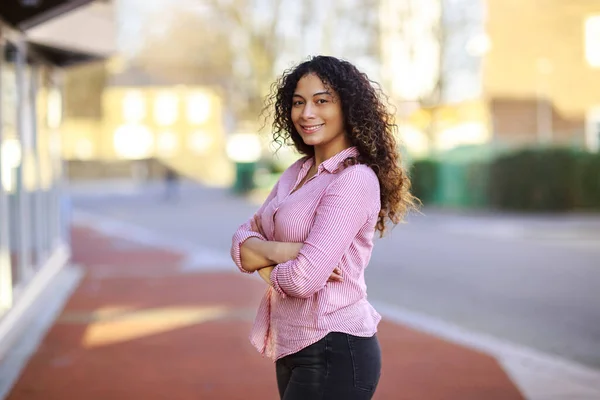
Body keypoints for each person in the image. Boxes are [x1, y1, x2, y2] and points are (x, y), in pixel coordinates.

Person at [230, 55, 417, 400]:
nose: (306, 113)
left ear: (348, 108)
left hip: (334, 347)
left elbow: (303, 280)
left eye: (321, 101)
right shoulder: (295, 174)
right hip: (292, 345)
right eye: (298, 102)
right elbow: (241, 242)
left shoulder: (354, 180)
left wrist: (263, 259)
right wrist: (288, 252)